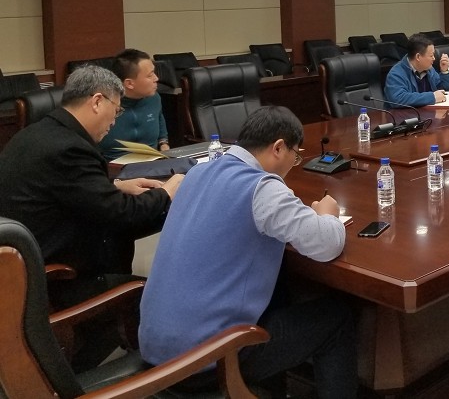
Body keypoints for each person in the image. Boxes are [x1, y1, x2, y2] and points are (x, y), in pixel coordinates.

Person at [140, 106, 357, 398]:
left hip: (155, 347)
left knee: (278, 294)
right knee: (336, 318)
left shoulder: (196, 173)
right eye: (295, 156)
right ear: (278, 147)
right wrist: (328, 215)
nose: (294, 164)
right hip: (205, 360)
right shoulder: (261, 187)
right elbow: (327, 244)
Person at [0, 64, 182, 366]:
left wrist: (115, 186)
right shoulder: (70, 148)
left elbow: (62, 188)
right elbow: (124, 215)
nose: (114, 121)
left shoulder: (36, 134)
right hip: (60, 281)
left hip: (27, 268)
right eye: (116, 110)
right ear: (97, 101)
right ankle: (162, 368)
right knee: (157, 292)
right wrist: (168, 191)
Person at [98, 48, 169, 160]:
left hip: (152, 163)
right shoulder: (102, 105)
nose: (156, 78)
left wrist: (163, 143)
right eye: (150, 75)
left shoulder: (154, 99)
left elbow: (160, 122)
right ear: (129, 83)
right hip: (113, 165)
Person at [384, 33, 449, 107]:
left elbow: (444, 92)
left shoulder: (429, 70)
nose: (434, 58)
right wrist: (431, 97)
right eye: (431, 55)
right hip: (405, 114)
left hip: (428, 112)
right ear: (418, 57)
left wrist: (445, 72)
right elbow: (398, 99)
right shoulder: (396, 74)